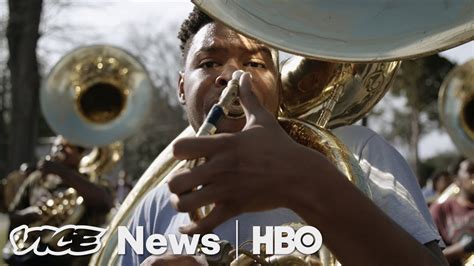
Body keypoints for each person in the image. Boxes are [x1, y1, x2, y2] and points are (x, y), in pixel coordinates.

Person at [121, 7, 447, 266]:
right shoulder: (155, 206)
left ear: (277, 83)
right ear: (181, 87)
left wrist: (310, 184)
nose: (234, 77)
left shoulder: (358, 151)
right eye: (209, 63)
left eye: (254, 63)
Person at [3, 136, 114, 266]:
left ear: (80, 152)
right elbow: (12, 215)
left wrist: (62, 172)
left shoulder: (91, 181)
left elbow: (105, 203)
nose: (59, 150)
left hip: (73, 260)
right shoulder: (36, 180)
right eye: (56, 146)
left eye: (66, 147)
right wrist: (29, 213)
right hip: (31, 256)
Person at [430, 159, 474, 265]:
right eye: (471, 171)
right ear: (457, 180)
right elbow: (428, 256)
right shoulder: (440, 210)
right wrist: (465, 247)